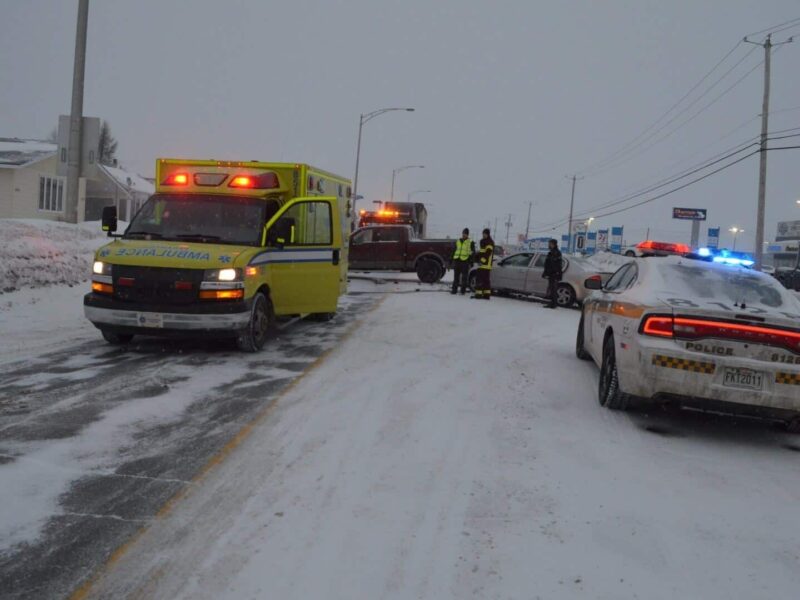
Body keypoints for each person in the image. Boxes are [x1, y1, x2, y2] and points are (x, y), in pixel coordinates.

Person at [451, 228, 475, 295]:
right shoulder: (458, 241)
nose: (464, 235)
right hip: (457, 260)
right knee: (456, 277)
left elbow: (472, 253)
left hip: (465, 261)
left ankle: (462, 291)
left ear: (467, 234)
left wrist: (471, 262)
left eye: (465, 234)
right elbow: (454, 250)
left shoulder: (470, 242)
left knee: (464, 277)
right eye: (463, 233)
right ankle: (454, 290)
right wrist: (451, 259)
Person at [472, 228, 494, 299]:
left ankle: (478, 295)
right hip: (485, 264)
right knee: (486, 280)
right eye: (483, 234)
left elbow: (488, 253)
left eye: (485, 234)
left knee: (479, 279)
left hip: (484, 264)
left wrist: (481, 261)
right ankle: (486, 295)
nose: (483, 235)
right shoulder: (483, 241)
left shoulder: (489, 242)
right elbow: (482, 252)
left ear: (488, 234)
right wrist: (476, 257)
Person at [542, 238, 563, 308]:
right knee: (552, 288)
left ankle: (553, 304)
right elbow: (548, 264)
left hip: (554, 274)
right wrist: (545, 272)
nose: (548, 245)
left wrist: (555, 273)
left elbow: (556, 264)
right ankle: (552, 303)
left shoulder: (556, 252)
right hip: (552, 273)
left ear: (553, 244)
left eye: (550, 244)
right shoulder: (551, 252)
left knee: (553, 289)